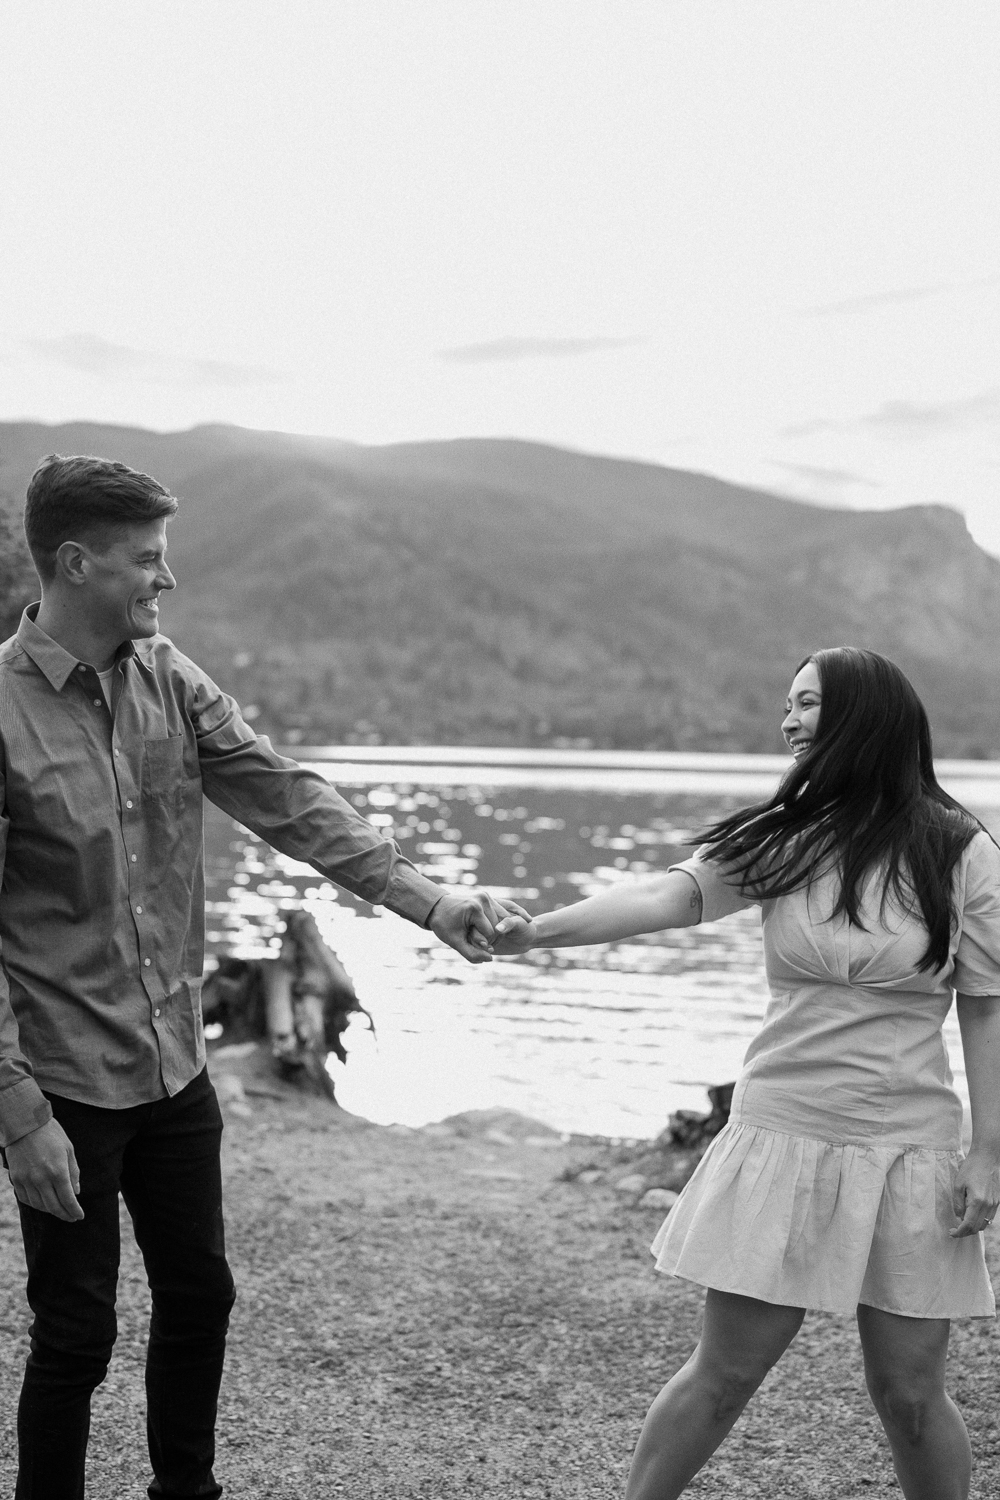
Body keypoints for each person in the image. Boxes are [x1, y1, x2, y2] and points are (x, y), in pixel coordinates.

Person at [0, 453, 525, 1500]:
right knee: (76, 1331)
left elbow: (288, 799)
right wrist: (18, 1114)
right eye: (148, 560)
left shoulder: (168, 676)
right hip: (63, 1079)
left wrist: (432, 901)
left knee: (202, 1296)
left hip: (176, 1066)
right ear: (76, 563)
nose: (167, 580)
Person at [493, 647, 1000, 1500]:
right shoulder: (786, 838)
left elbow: (985, 1006)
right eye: (789, 705)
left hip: (909, 1150)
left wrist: (989, 1152)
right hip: (783, 1138)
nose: (788, 721)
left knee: (910, 1395)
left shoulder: (961, 852)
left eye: (806, 704)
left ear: (860, 719)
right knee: (723, 1375)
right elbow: (665, 898)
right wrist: (536, 932)